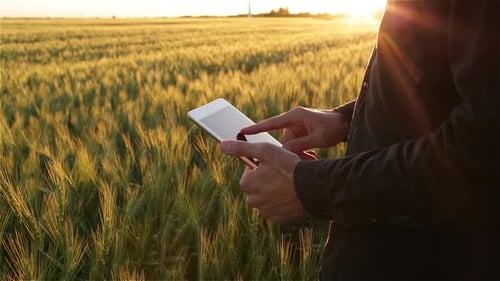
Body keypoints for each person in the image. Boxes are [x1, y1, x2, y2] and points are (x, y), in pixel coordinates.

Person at [220, 0, 500, 280]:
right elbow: (439, 88)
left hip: (429, 261)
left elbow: (481, 148)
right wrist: (345, 119)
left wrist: (311, 186)